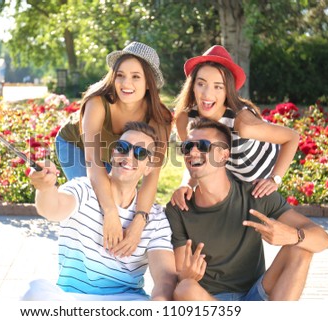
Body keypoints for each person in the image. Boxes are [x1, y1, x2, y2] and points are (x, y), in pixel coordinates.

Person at [165, 118, 328, 301]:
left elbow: (323, 240)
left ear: (224, 155)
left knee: (301, 248)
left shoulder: (256, 195)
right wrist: (186, 276)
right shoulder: (179, 207)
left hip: (256, 294)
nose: (193, 151)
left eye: (203, 145)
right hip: (211, 302)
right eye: (187, 147)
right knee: (184, 289)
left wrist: (293, 236)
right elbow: (181, 272)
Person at [24, 121, 177, 301]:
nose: (128, 156)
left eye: (140, 153)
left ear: (149, 167)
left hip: (127, 302)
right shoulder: (83, 189)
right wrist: (45, 188)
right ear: (112, 153)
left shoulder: (154, 216)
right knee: (35, 293)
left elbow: (165, 277)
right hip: (73, 300)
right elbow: (52, 209)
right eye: (123, 147)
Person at [56, 41, 173, 257]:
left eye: (136, 76)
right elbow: (92, 161)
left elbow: (151, 176)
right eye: (120, 75)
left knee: (120, 205)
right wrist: (110, 212)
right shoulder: (99, 102)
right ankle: (83, 258)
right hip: (77, 148)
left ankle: (114, 264)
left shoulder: (160, 118)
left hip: (119, 154)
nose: (125, 83)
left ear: (149, 83)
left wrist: (139, 221)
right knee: (95, 202)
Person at [172, 45, 299, 210]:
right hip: (227, 174)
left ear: (227, 91)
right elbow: (194, 157)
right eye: (201, 84)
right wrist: (187, 184)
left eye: (218, 86)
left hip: (258, 181)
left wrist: (274, 179)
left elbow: (292, 137)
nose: (207, 94)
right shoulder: (185, 119)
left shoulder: (242, 123)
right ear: (192, 85)